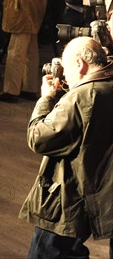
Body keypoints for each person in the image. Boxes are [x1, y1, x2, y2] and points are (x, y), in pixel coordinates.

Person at [20, 37, 113, 258]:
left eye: (66, 67)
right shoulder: (106, 86)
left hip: (70, 198)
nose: (65, 76)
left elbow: (38, 138)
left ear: (80, 64)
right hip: (99, 194)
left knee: (46, 252)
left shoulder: (82, 97)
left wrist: (47, 98)